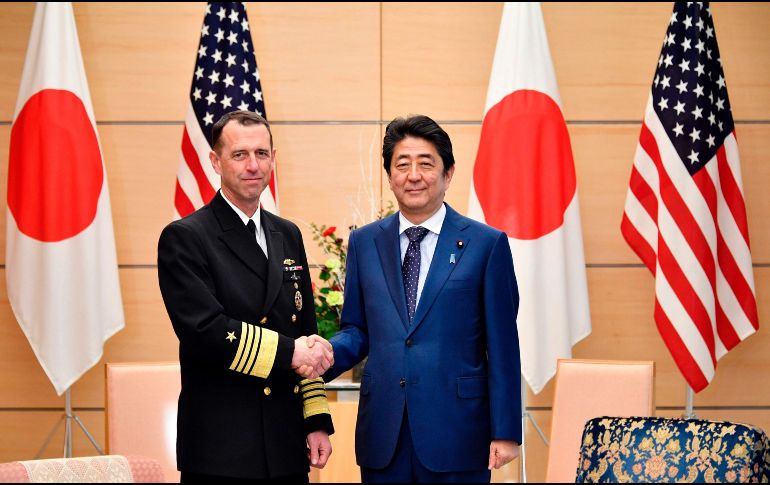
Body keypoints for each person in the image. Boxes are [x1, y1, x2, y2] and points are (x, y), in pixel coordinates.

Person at [324, 115, 522, 482]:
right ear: (390, 176)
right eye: (402, 165)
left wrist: (506, 431)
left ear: (448, 174)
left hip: (459, 434)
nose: (413, 175)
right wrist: (322, 356)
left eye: (426, 164)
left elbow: (503, 344)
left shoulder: (486, 244)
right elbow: (357, 328)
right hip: (384, 433)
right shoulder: (364, 243)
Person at [158, 110, 335, 483]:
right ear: (215, 161)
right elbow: (205, 331)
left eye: (262, 153)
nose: (253, 165)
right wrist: (290, 352)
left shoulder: (287, 234)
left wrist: (316, 420)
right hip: (223, 450)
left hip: (285, 443)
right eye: (240, 154)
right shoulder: (186, 237)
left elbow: (305, 329)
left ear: (273, 158)